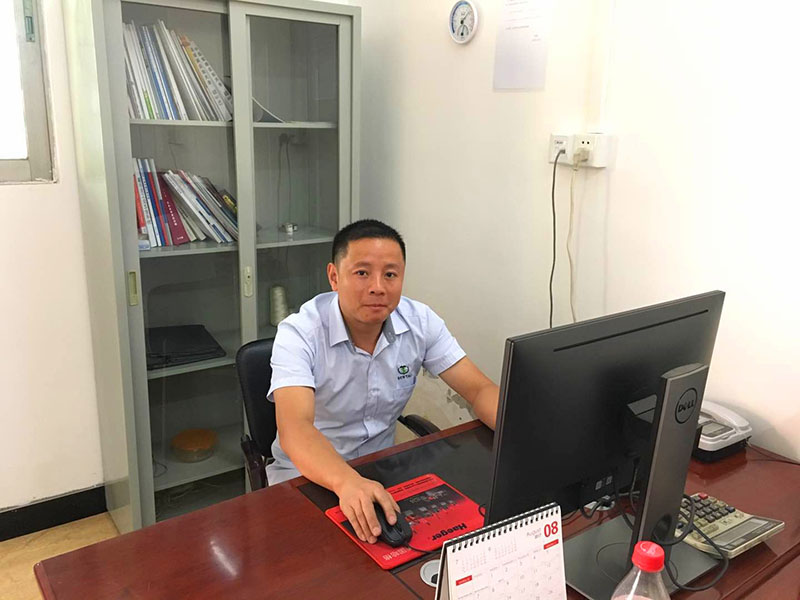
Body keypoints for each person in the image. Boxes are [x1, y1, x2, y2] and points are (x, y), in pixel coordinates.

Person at [267, 219, 499, 544]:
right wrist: (346, 481)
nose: (378, 287)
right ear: (334, 276)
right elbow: (295, 428)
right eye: (362, 273)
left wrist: (520, 432)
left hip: (383, 472)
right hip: (306, 476)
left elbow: (479, 389)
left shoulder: (420, 322)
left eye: (390, 274)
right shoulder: (299, 334)